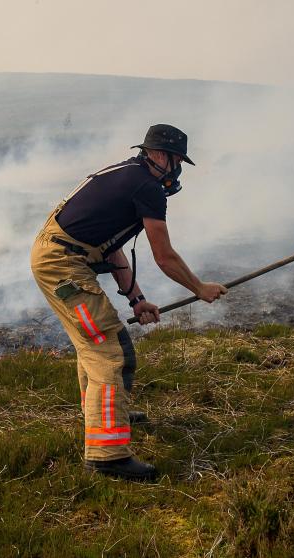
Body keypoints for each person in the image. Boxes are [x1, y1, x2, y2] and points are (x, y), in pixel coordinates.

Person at [30, 124, 227, 481]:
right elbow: (164, 256)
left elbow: (110, 246)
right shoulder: (147, 188)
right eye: (176, 160)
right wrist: (199, 288)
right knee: (107, 350)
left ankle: (108, 411)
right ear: (159, 156)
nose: (177, 169)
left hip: (60, 257)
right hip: (63, 266)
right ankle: (107, 456)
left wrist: (136, 299)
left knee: (97, 345)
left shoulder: (127, 175)